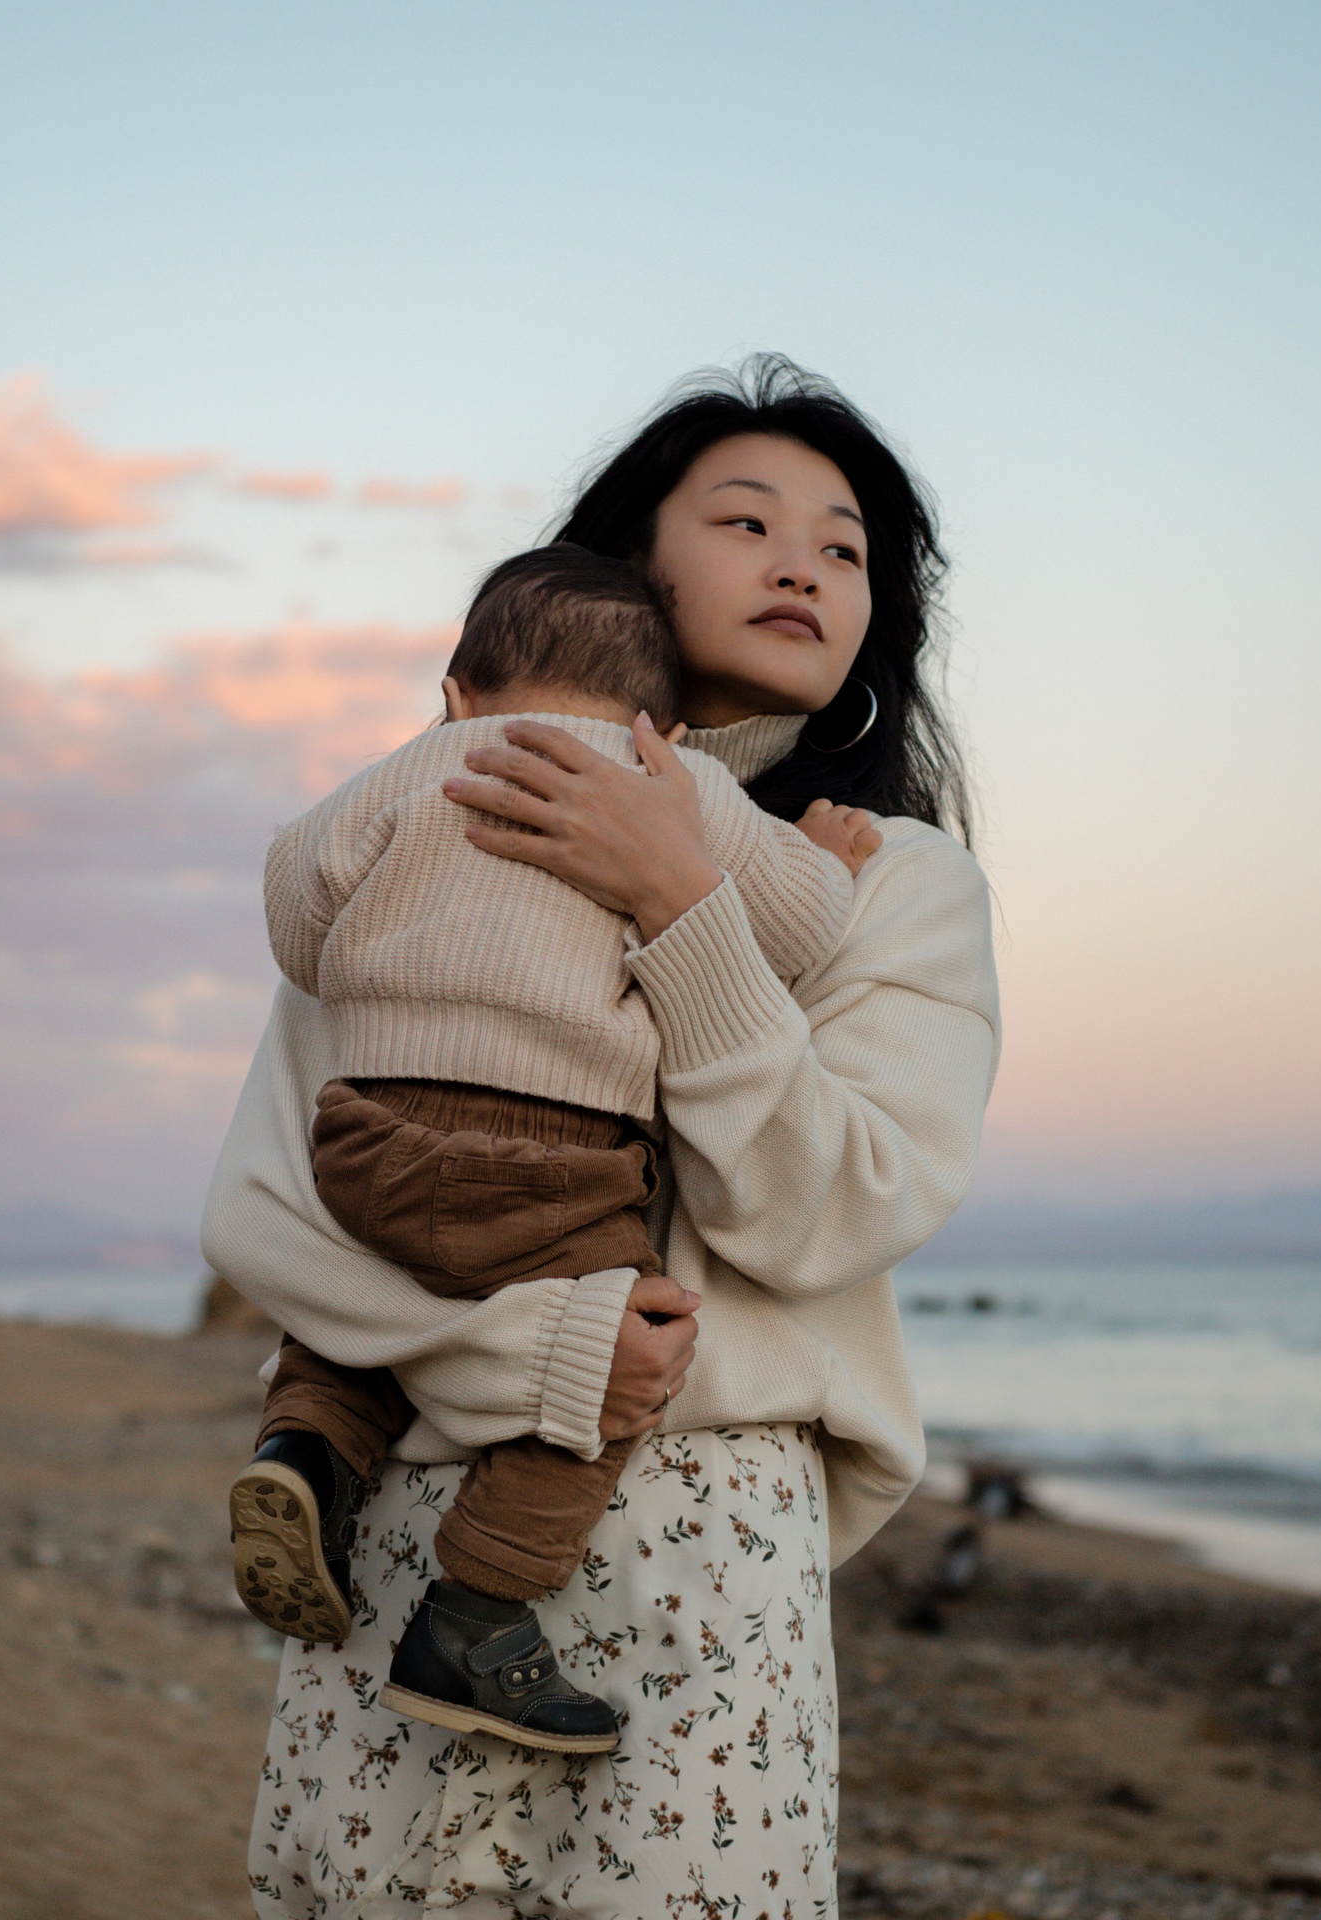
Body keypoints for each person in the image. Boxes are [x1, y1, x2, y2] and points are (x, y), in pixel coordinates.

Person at [202, 356, 999, 1916]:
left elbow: (831, 1212)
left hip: (707, 1552)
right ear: (629, 563)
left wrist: (683, 899)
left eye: (845, 551)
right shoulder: (455, 815)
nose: (801, 567)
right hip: (410, 1529)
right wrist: (536, 1360)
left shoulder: (891, 885)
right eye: (748, 522)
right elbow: (273, 1206)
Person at [229, 541, 877, 1756]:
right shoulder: (667, 785)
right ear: (660, 726)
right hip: (554, 1159)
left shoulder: (412, 764)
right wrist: (829, 868)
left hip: (364, 1135)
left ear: (454, 693)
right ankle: (475, 1616)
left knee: (372, 1298)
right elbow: (791, 932)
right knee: (620, 1355)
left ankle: (303, 1451)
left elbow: (295, 920)